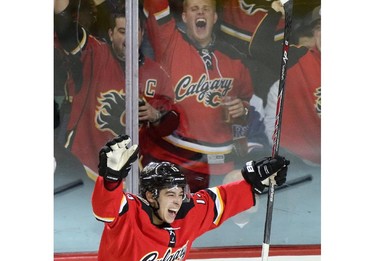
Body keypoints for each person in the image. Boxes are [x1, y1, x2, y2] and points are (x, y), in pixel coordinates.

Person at [92, 134, 289, 261]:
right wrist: (110, 180)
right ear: (151, 196)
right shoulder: (130, 214)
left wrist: (256, 181)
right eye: (170, 194)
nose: (178, 201)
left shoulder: (189, 213)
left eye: (180, 194)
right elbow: (105, 209)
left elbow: (223, 199)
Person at [54, 0, 178, 180]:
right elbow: (66, 29)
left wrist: (156, 115)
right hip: (84, 169)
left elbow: (172, 124)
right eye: (122, 31)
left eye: (134, 31)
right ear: (111, 34)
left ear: (142, 34)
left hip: (129, 178)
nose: (128, 37)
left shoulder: (157, 74)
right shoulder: (95, 54)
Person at [142, 0, 258, 191]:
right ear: (185, 17)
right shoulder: (169, 43)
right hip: (176, 162)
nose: (200, 13)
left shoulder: (234, 57)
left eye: (206, 9)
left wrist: (241, 108)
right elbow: (156, 4)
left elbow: (247, 101)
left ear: (214, 18)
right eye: (194, 9)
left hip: (221, 166)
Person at [255, 3, 321, 165]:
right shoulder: (299, 58)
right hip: (306, 164)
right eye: (319, 27)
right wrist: (275, 12)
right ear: (314, 34)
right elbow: (258, 48)